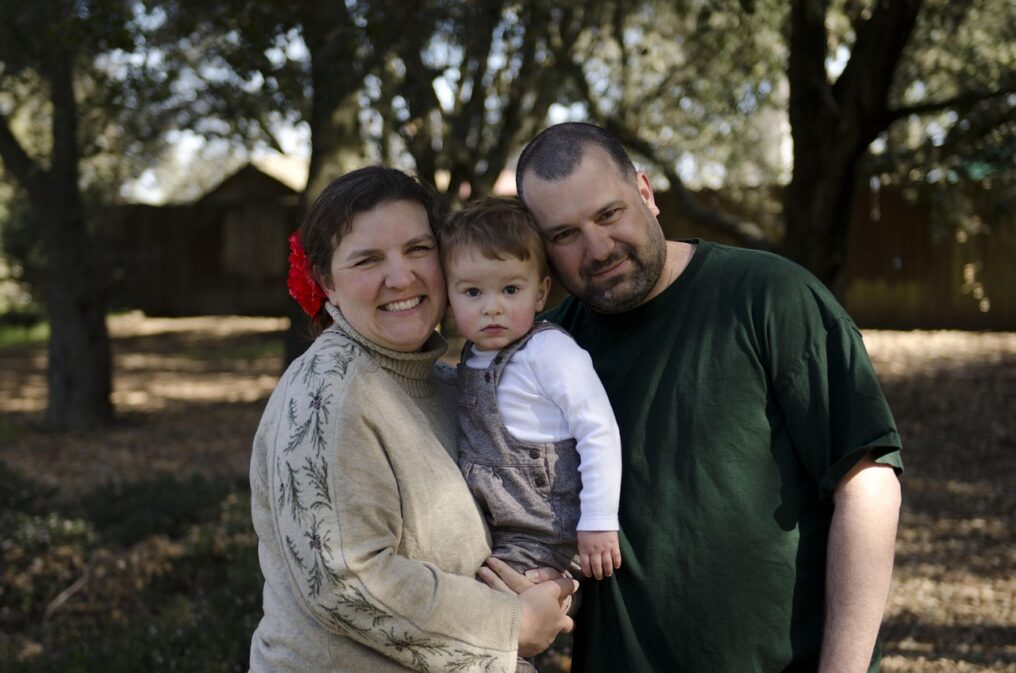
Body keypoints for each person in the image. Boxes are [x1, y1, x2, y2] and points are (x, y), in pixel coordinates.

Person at [509, 122, 904, 673]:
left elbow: (866, 484)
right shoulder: (542, 352)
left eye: (609, 214)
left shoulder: (770, 297)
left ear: (645, 192)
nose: (597, 248)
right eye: (564, 235)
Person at [247, 166, 576, 673]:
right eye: (368, 259)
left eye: (418, 249)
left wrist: (545, 581)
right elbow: (346, 581)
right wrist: (509, 624)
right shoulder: (328, 393)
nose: (401, 278)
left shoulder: (449, 383)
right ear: (327, 283)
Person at [437, 197, 623, 582]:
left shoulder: (548, 352)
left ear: (540, 293)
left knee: (493, 598)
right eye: (472, 292)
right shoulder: (471, 356)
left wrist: (598, 520)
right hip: (493, 525)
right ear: (450, 300)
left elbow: (598, 431)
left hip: (547, 533)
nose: (492, 307)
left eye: (510, 290)